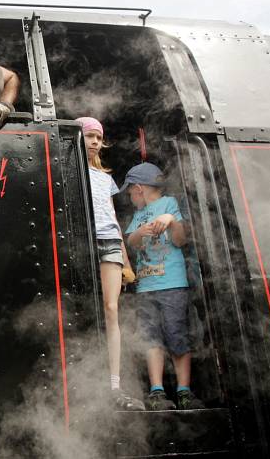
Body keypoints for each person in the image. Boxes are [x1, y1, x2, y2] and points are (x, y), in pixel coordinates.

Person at [121, 162, 205, 411]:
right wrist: (142, 231)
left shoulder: (170, 204)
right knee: (150, 338)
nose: (129, 197)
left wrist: (170, 220)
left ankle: (184, 391)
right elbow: (132, 242)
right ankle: (157, 391)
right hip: (146, 286)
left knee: (177, 334)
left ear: (139, 189)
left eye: (130, 192)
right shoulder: (138, 215)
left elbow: (180, 240)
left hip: (172, 283)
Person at [76, 117, 144, 411]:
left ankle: (114, 383)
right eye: (89, 136)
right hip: (82, 241)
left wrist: (127, 262)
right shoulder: (69, 171)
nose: (94, 141)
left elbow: (114, 220)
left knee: (112, 308)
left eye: (97, 137)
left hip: (109, 243)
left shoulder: (106, 179)